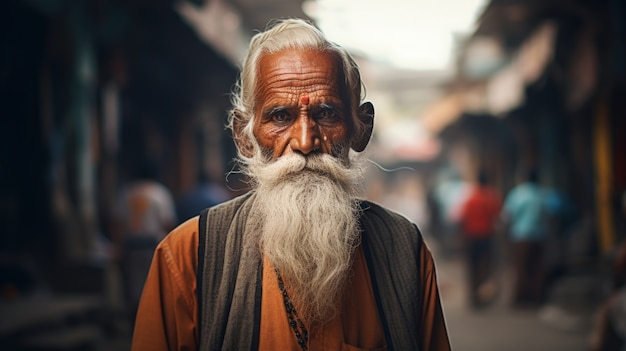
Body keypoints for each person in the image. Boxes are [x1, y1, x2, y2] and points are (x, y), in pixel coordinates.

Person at [131, 18, 451, 351]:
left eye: (326, 113)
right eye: (280, 116)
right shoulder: (187, 258)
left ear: (361, 129)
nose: (304, 141)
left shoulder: (403, 251)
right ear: (244, 135)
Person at [113, 159, 177, 322]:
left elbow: (117, 222)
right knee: (153, 284)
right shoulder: (159, 193)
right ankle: (150, 320)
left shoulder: (126, 192)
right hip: (152, 245)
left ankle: (134, 321)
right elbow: (168, 223)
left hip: (131, 245)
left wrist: (118, 246)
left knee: (133, 286)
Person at [456, 169, 502, 308]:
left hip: (471, 237)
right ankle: (483, 297)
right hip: (487, 236)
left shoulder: (471, 198)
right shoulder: (492, 197)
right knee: (485, 267)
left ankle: (473, 298)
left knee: (472, 268)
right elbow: (498, 217)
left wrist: (461, 238)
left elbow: (463, 219)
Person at [501, 168, 547, 307]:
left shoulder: (517, 194)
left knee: (521, 267)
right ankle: (535, 298)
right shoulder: (542, 194)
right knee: (537, 268)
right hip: (539, 236)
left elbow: (506, 216)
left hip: (520, 235)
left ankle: (521, 299)